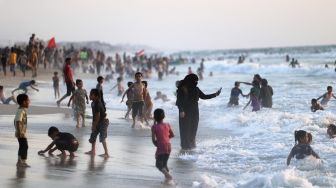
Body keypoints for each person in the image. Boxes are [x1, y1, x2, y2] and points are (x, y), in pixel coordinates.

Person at [176, 74, 221, 149]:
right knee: (185, 129)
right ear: (190, 81)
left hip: (195, 112)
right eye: (195, 81)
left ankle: (191, 145)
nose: (196, 82)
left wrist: (215, 94)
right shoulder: (182, 89)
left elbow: (204, 96)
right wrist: (181, 111)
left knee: (194, 128)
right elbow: (179, 102)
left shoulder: (196, 89)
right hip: (185, 111)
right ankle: (185, 146)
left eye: (197, 81)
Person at [151, 109, 174, 184]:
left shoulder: (154, 127)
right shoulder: (167, 124)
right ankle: (167, 181)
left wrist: (158, 144)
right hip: (168, 146)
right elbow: (172, 135)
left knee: (158, 164)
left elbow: (154, 140)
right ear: (164, 116)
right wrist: (165, 139)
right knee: (164, 164)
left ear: (154, 117)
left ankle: (168, 176)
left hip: (161, 146)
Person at [85, 89, 109, 158]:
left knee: (102, 138)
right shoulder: (93, 103)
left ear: (96, 96)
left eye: (91, 94)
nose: (89, 96)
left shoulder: (98, 103)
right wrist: (93, 124)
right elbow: (94, 115)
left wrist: (94, 125)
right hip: (97, 121)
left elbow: (98, 116)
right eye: (90, 94)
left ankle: (106, 153)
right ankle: (93, 151)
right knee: (93, 135)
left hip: (103, 122)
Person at [14, 94, 30, 168]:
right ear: (24, 102)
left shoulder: (22, 110)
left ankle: (19, 161)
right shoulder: (20, 111)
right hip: (21, 133)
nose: (29, 102)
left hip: (21, 132)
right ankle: (22, 161)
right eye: (28, 100)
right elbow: (17, 121)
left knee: (22, 146)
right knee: (25, 146)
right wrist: (19, 131)